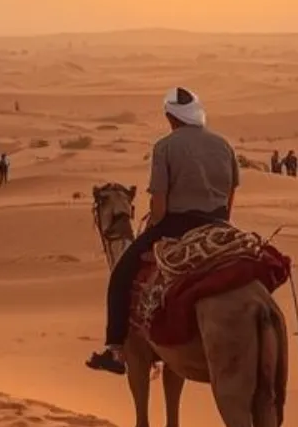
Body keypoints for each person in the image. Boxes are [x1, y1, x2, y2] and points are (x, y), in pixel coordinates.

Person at [86, 87, 240, 374]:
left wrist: (152, 227)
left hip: (177, 224)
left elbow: (159, 206)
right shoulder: (224, 145)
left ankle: (116, 350)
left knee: (121, 274)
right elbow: (231, 194)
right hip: (220, 224)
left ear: (170, 117)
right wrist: (221, 224)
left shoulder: (165, 147)